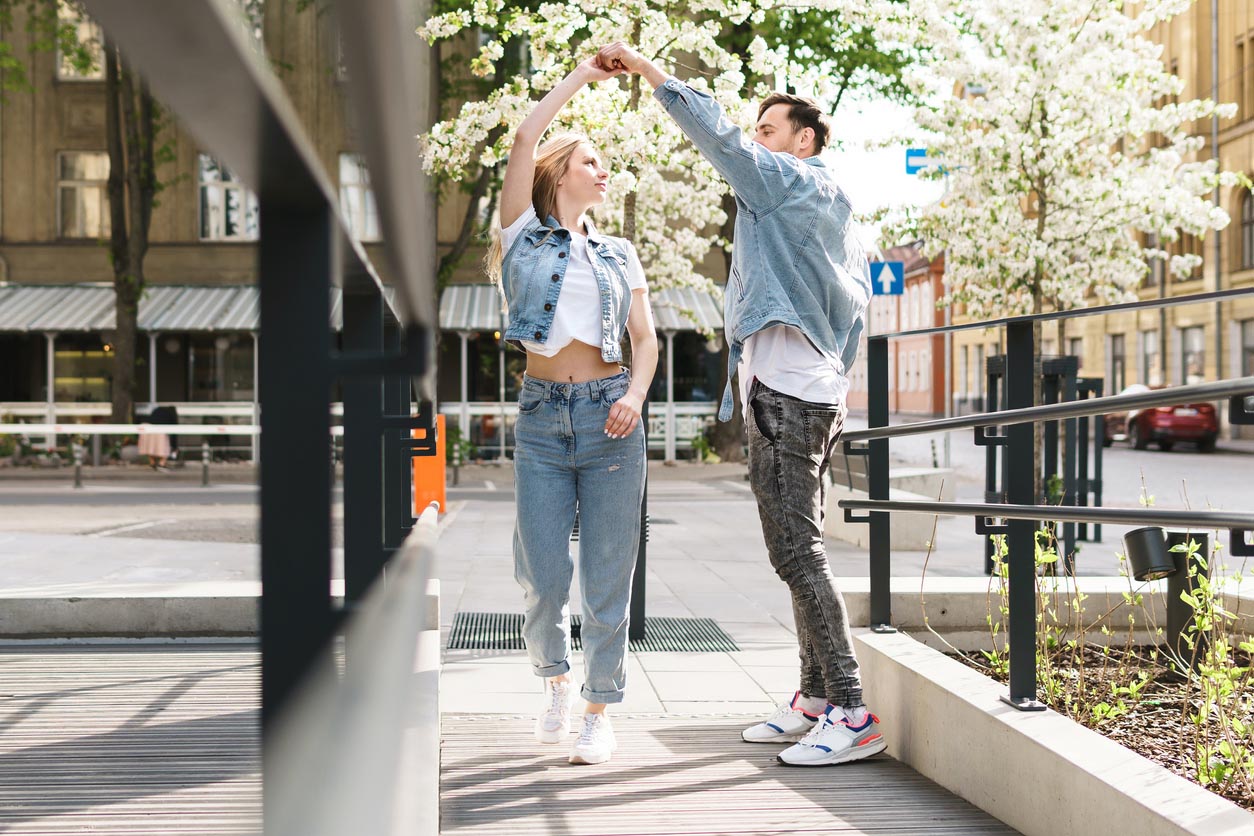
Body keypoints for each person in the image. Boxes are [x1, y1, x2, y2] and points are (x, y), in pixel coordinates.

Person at [596, 44, 882, 767]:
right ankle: (815, 698)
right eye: (757, 132)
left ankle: (851, 711)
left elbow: (716, 135)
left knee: (797, 552)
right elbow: (853, 310)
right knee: (794, 552)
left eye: (768, 130)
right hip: (788, 391)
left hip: (790, 395)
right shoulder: (814, 204)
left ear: (802, 140)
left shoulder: (792, 184)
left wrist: (645, 67)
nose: (755, 141)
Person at [488, 55, 659, 765]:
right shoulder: (519, 235)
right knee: (542, 578)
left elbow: (646, 342)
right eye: (594, 160)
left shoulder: (620, 253)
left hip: (612, 419)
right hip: (542, 420)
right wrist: (582, 80)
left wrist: (633, 396)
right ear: (562, 173)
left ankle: (598, 709)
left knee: (608, 576)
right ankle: (555, 683)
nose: (605, 171)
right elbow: (523, 140)